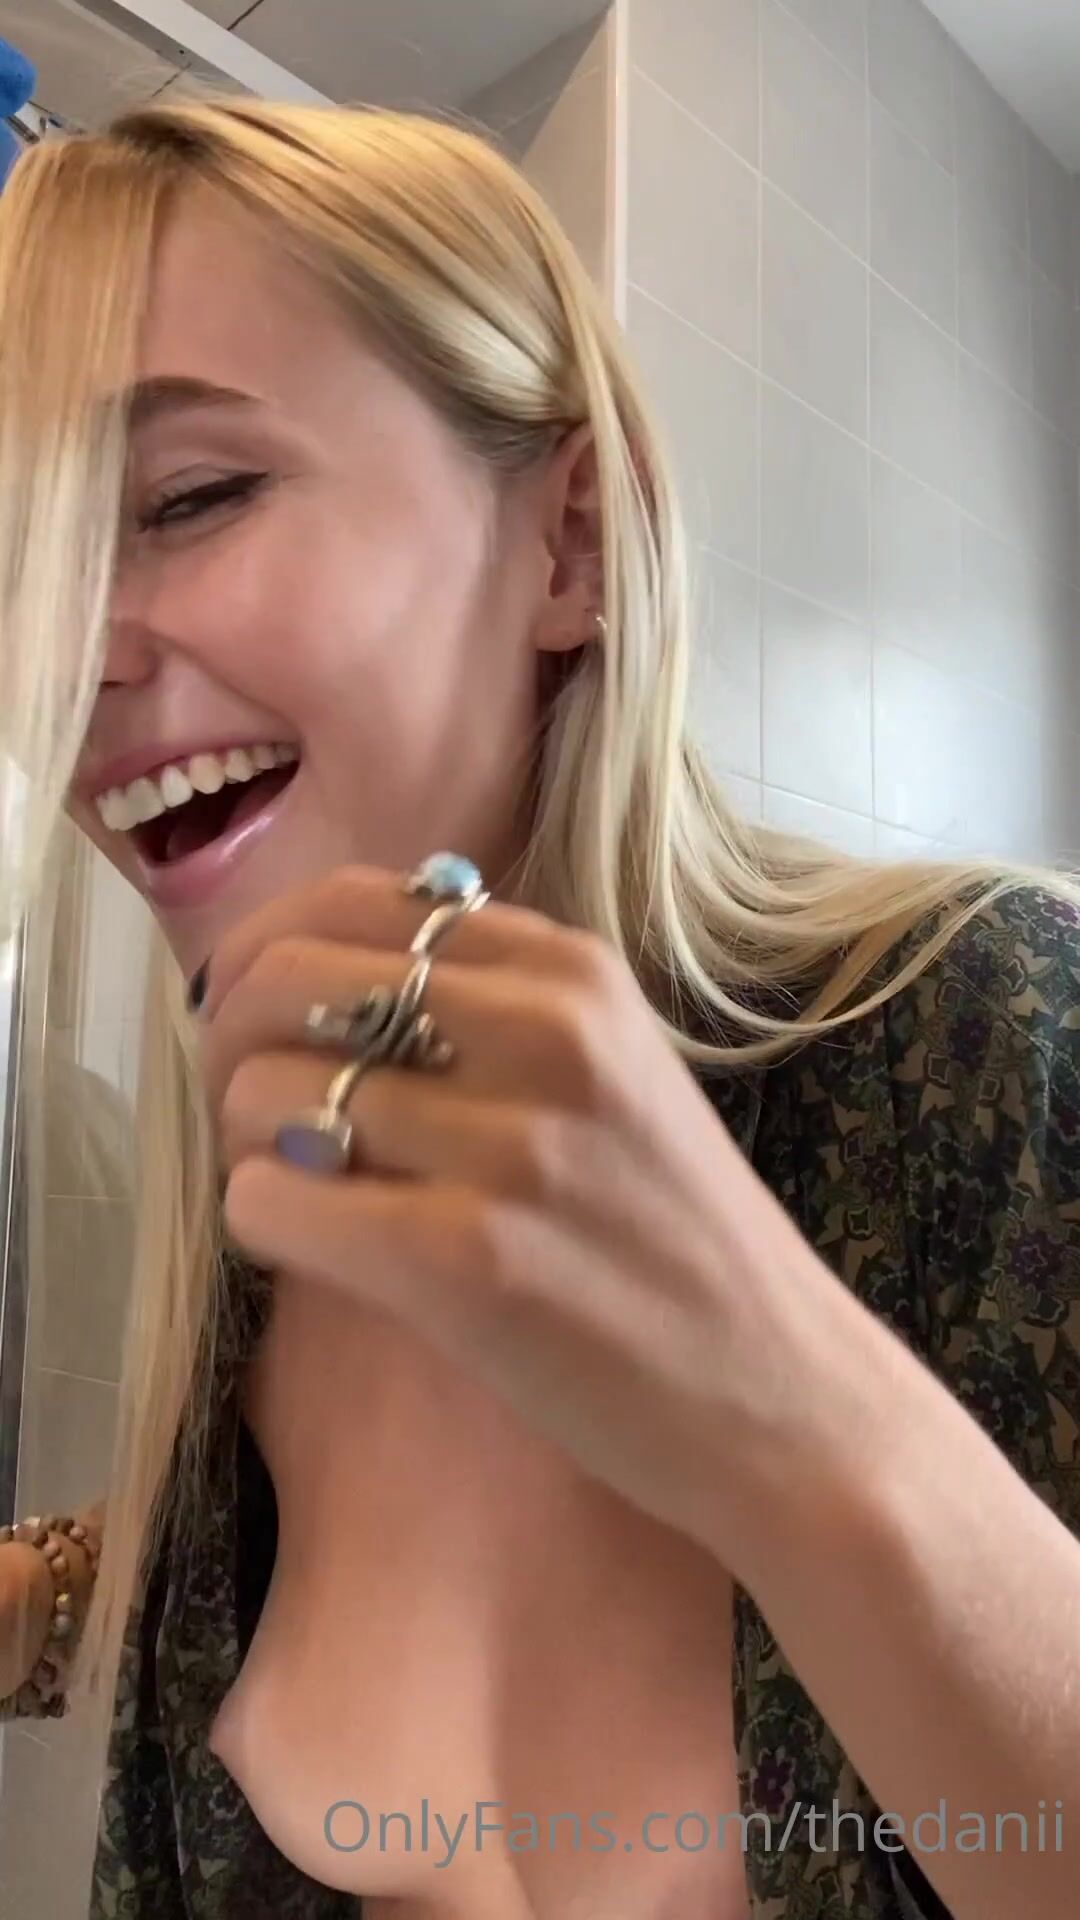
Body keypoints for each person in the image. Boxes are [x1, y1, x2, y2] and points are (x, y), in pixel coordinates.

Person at [0, 96, 1078, 1920]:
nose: (68, 662)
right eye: (24, 565)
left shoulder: (992, 1035)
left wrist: (790, 1414)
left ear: (568, 541)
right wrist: (49, 1594)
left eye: (188, 498)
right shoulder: (272, 1231)